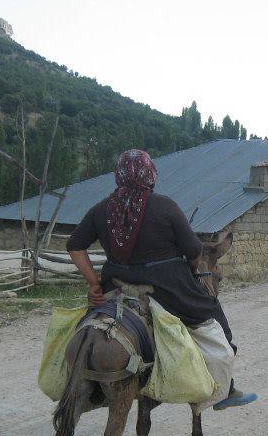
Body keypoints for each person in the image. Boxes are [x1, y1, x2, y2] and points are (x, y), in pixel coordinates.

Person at [66, 149, 256, 410]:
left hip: (115, 285)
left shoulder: (101, 209)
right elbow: (193, 251)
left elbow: (75, 246)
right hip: (166, 288)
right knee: (210, 311)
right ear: (149, 174)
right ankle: (226, 387)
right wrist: (189, 269)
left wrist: (93, 283)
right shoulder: (165, 205)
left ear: (118, 175)